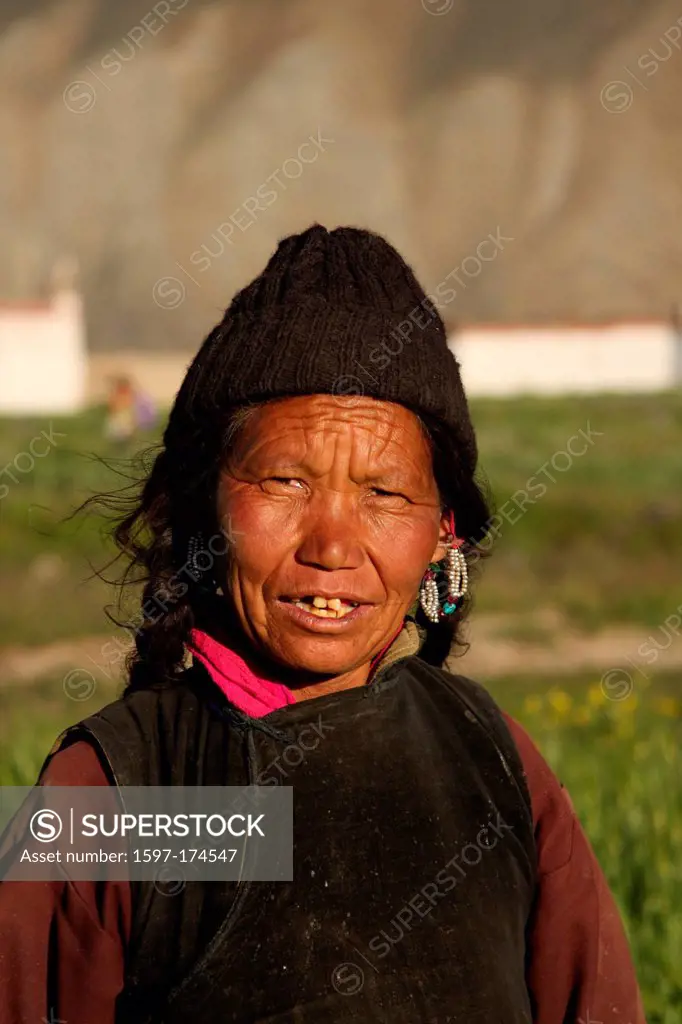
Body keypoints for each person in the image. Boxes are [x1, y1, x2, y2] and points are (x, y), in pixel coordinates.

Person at [0, 226, 646, 1023]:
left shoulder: (494, 759)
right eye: (285, 481)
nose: (333, 545)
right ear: (208, 502)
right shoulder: (115, 796)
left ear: (444, 530)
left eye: (383, 494)